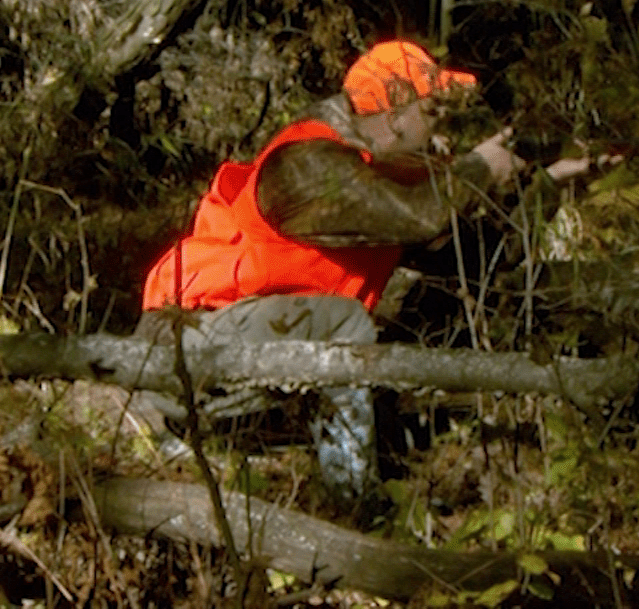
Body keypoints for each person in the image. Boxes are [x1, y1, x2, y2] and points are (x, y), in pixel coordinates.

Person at [135, 39, 594, 499]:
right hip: (183, 346)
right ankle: (350, 497)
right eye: (433, 114)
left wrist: (549, 185)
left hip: (241, 344)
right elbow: (420, 216)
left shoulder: (368, 174)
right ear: (395, 116)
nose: (444, 133)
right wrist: (478, 169)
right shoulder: (308, 165)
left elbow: (469, 262)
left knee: (399, 316)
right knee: (345, 322)